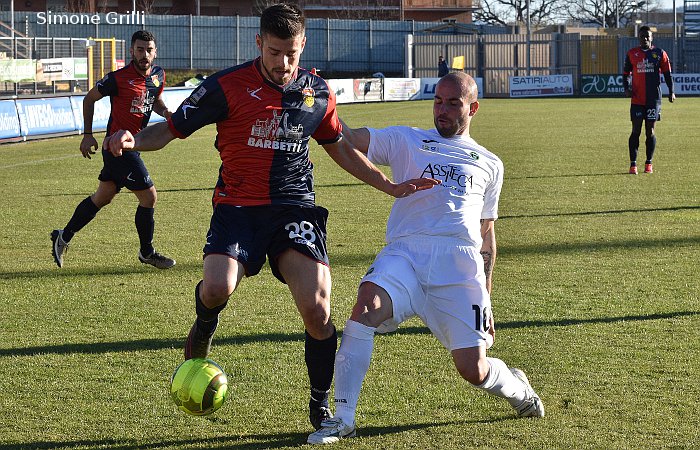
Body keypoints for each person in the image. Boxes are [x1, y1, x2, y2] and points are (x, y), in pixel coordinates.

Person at [105, 3, 438, 430]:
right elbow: (168, 132)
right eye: (275, 52)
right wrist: (132, 139)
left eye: (292, 55)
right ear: (259, 43)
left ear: (303, 47)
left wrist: (388, 185)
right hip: (237, 207)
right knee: (215, 289)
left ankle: (319, 401)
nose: (284, 64)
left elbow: (339, 147)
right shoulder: (224, 86)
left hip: (294, 208)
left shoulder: (317, 93)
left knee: (316, 310)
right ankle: (204, 324)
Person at [307, 72, 545, 445]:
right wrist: (323, 99)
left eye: (454, 103)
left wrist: (487, 295)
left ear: (473, 108)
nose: (443, 110)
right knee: (365, 307)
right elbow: (348, 137)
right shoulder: (406, 139)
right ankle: (342, 419)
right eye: (439, 101)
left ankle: (519, 390)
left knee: (474, 369)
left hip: (458, 267)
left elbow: (486, 236)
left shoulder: (490, 163)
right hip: (405, 255)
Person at [51, 30, 175, 270]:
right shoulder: (118, 78)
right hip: (116, 149)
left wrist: (166, 112)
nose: (144, 54)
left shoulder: (158, 75)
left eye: (149, 50)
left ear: (155, 52)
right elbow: (89, 99)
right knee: (149, 197)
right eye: (139, 50)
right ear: (131, 51)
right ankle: (146, 252)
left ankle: (63, 236)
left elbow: (154, 99)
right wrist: (87, 135)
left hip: (134, 145)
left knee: (102, 197)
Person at [622, 25, 675, 175]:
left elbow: (667, 75)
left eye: (647, 36)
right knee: (635, 131)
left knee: (650, 131)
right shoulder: (632, 54)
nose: (644, 39)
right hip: (637, 100)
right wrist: (626, 88)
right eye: (642, 36)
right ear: (638, 38)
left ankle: (648, 163)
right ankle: (633, 165)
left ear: (651, 38)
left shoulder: (660, 54)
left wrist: (671, 92)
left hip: (653, 100)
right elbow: (625, 74)